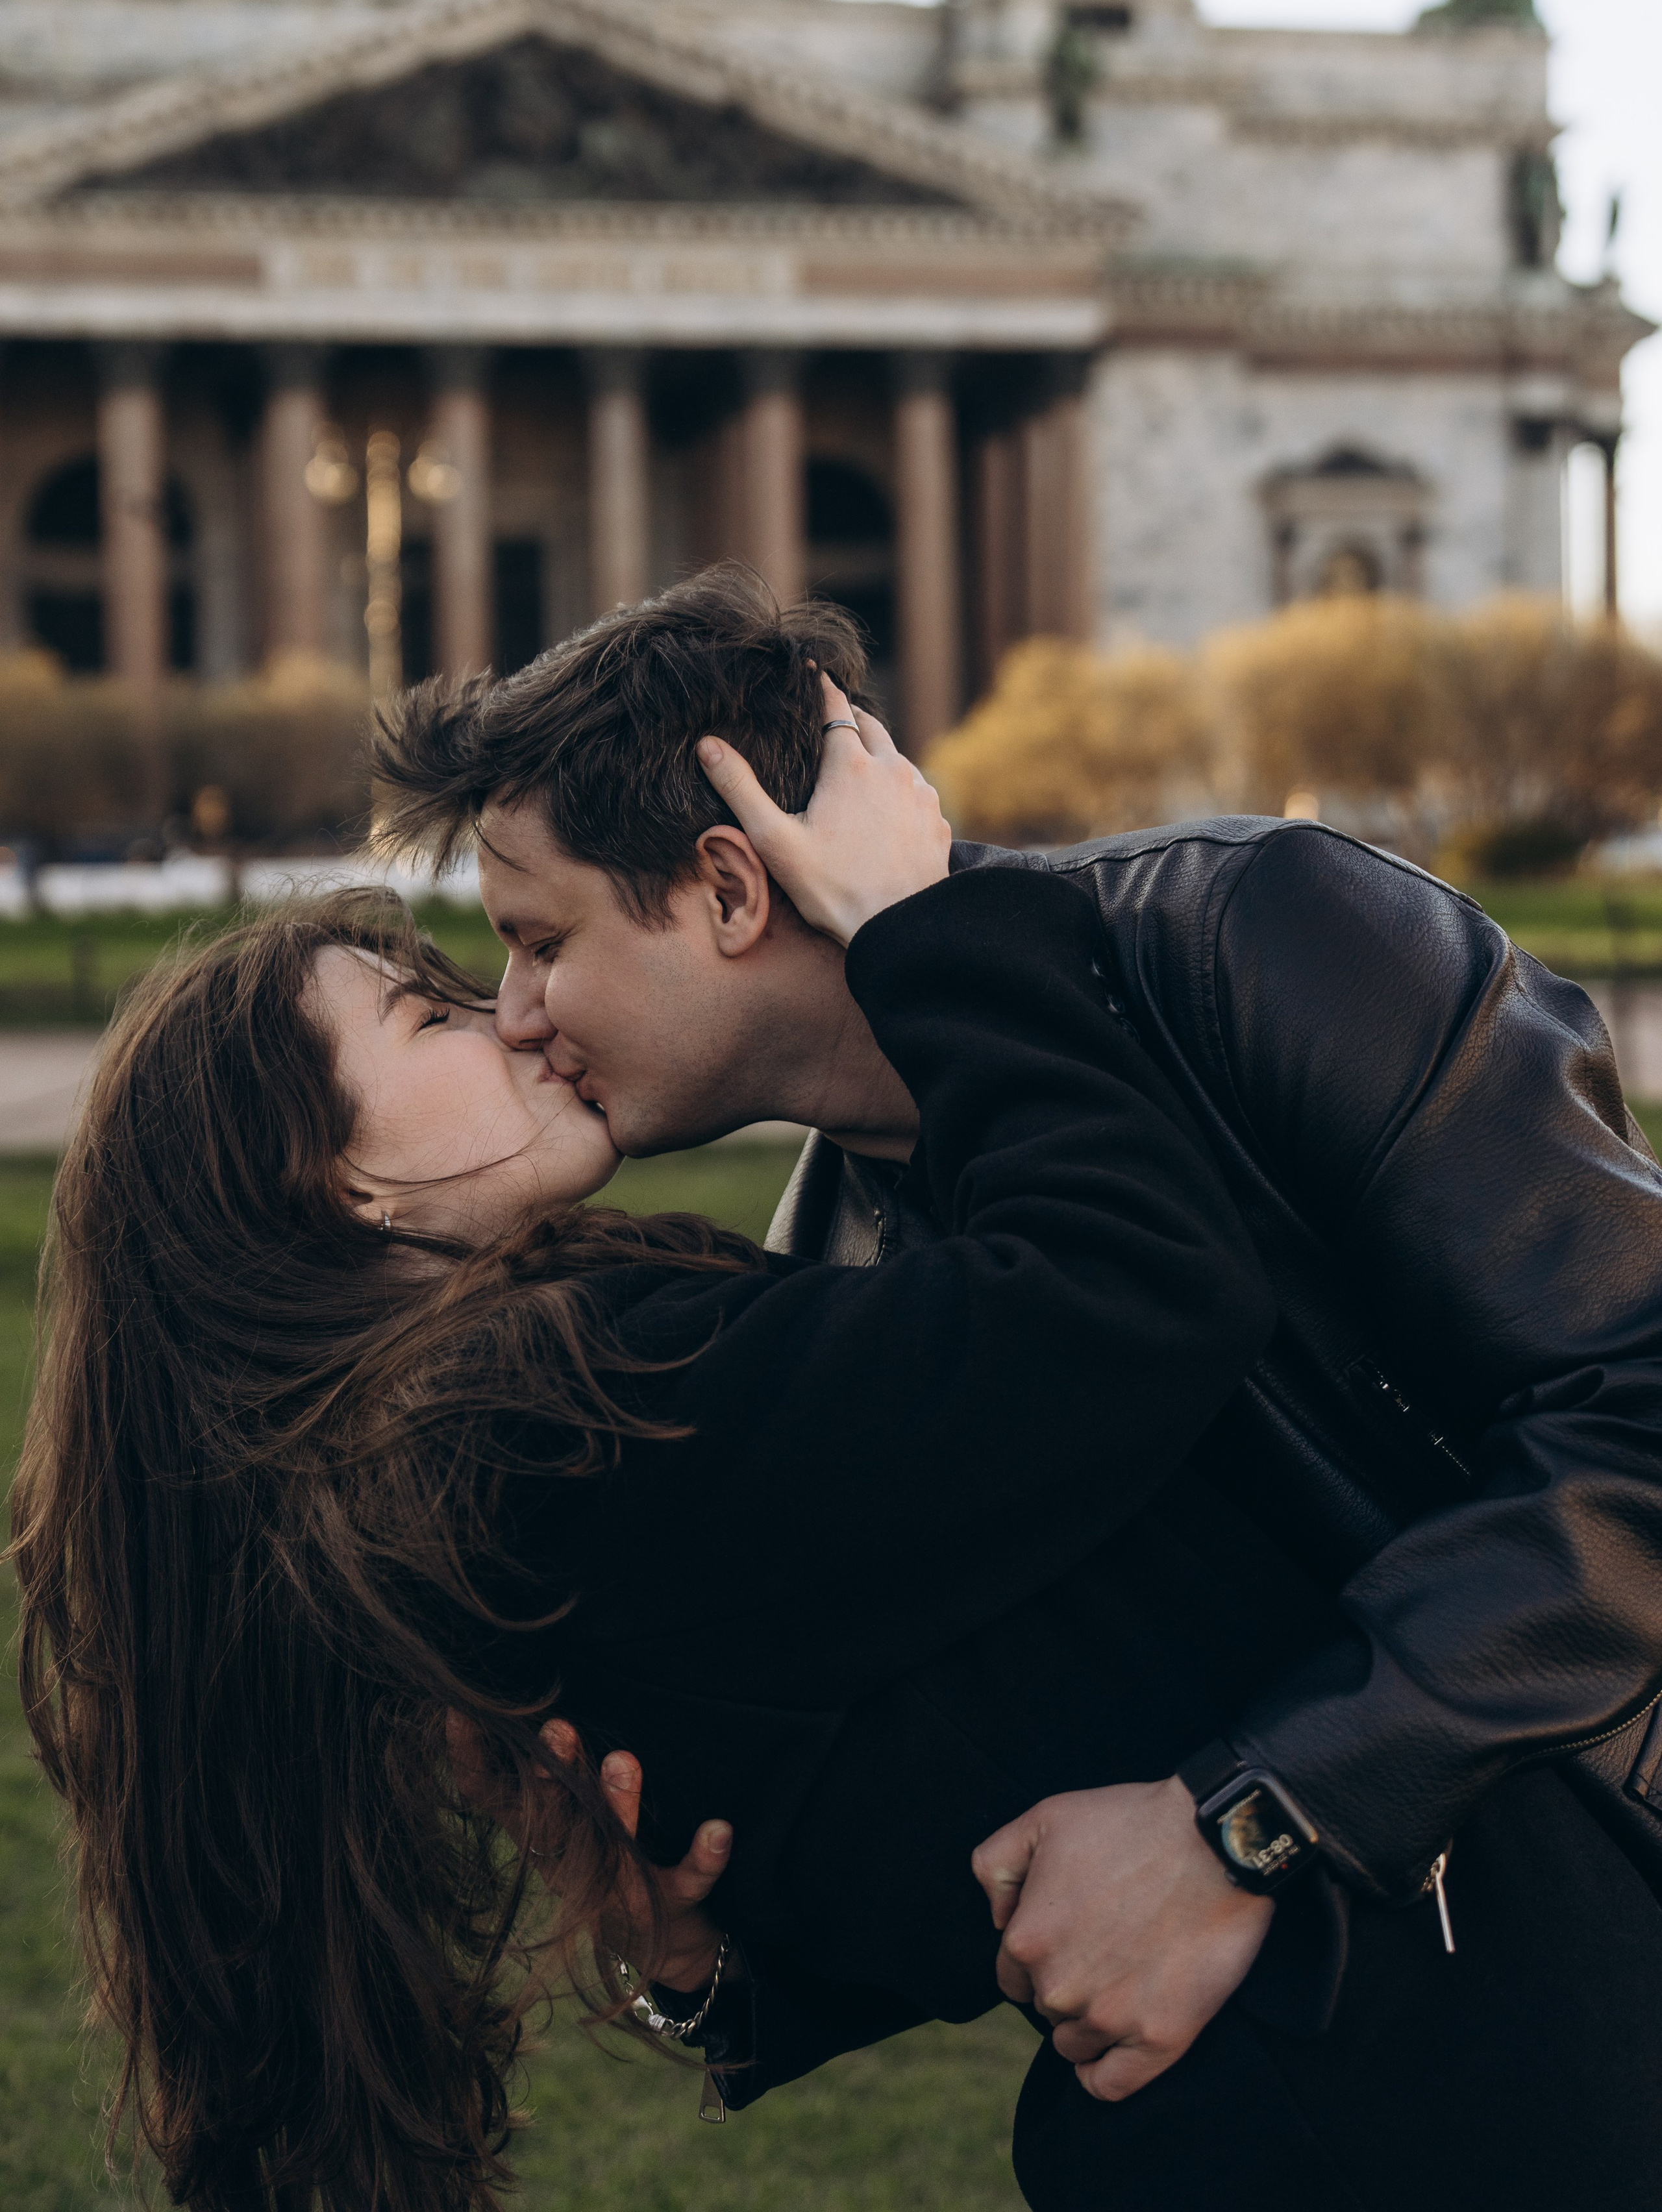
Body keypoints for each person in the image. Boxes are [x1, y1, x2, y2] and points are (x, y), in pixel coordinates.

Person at [371, 565, 1662, 2210]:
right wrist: (708, 1958)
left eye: (539, 944)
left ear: (727, 889)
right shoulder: (834, 1258)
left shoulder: (1258, 935)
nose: (515, 1017)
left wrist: (1251, 1819)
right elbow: (1010, 1790)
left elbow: (1637, 1415)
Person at [12, 687, 1282, 2212]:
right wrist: (924, 931)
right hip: (1360, 2029)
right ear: (336, 1189)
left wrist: (708, 1969)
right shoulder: (539, 1410)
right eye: (434, 1016)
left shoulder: (444, 1479)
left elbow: (899, 1818)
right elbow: (1138, 1294)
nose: (513, 1017)